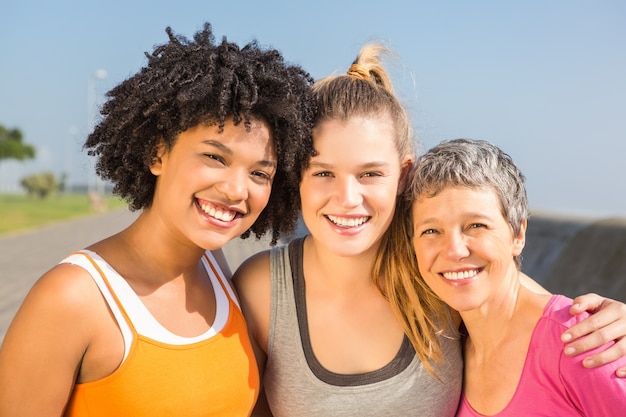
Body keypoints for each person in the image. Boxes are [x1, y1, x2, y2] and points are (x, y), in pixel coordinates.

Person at [232, 44, 626, 417]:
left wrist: (615, 320)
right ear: (295, 175)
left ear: (403, 175)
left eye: (370, 173)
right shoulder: (262, 289)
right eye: (323, 173)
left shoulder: (437, 274)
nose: (347, 198)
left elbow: (542, 313)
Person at [0, 22, 315, 417]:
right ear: (157, 154)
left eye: (259, 173)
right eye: (215, 157)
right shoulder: (72, 298)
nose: (237, 190)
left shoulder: (218, 271)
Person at [408, 138, 626, 416]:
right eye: (431, 231)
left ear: (518, 235)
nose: (454, 251)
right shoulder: (449, 351)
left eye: (476, 225)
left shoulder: (580, 338)